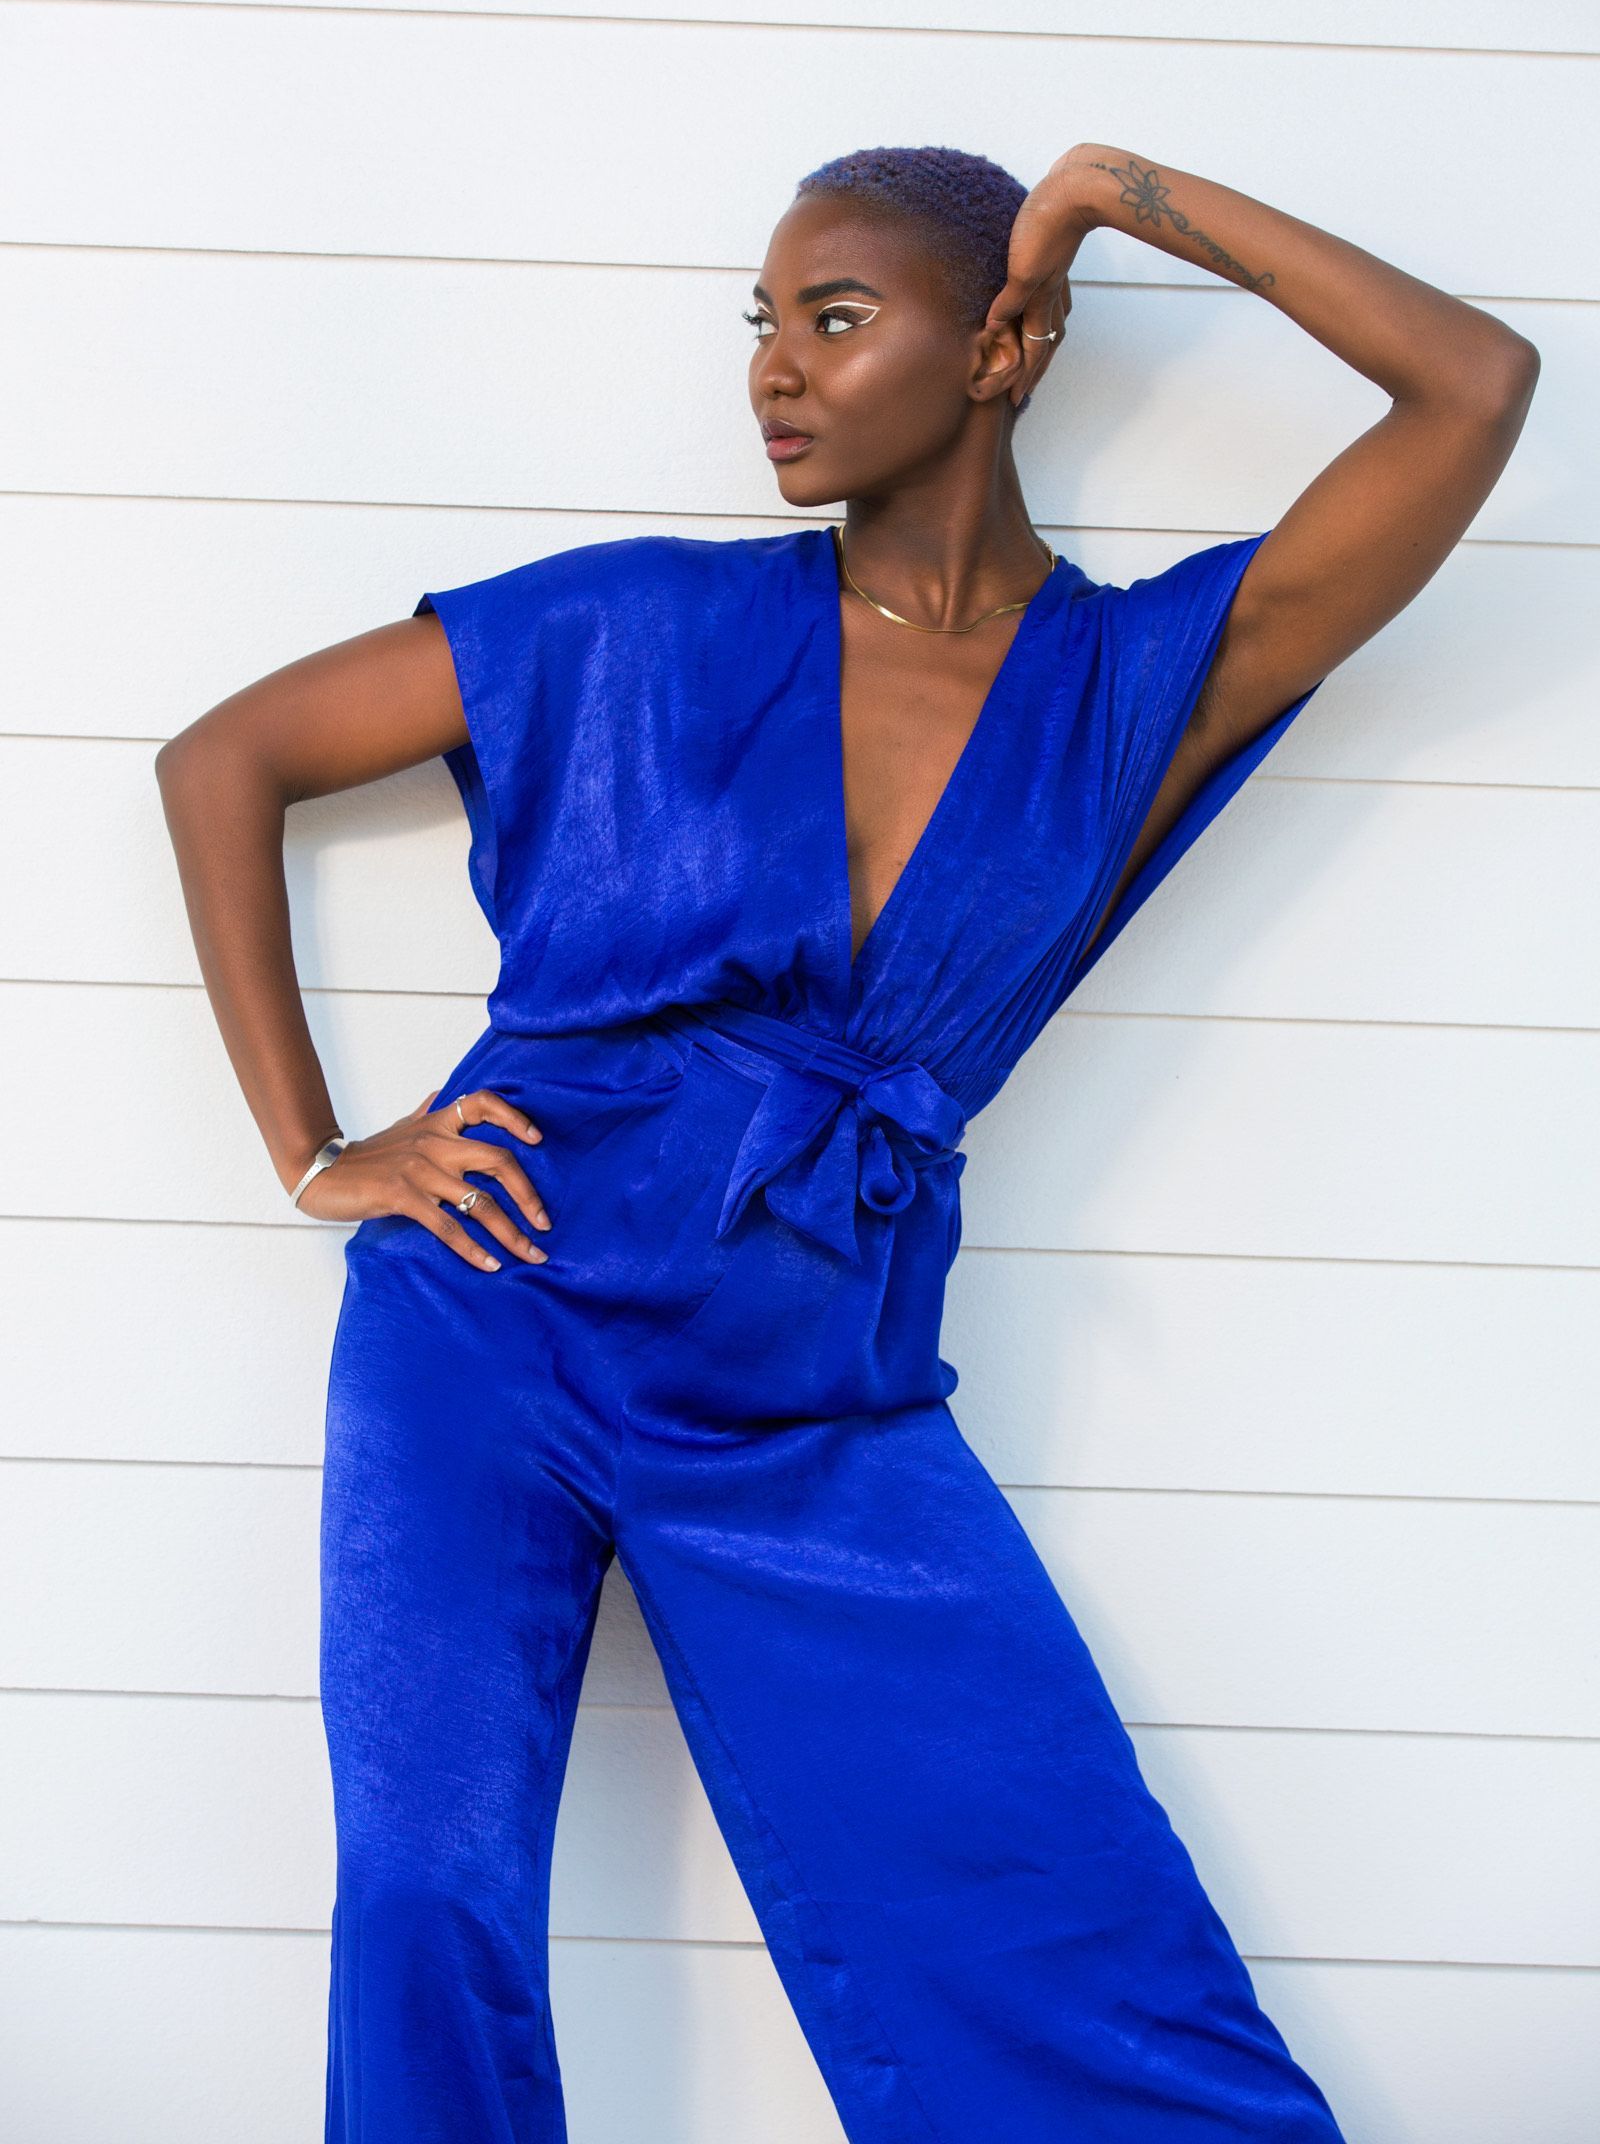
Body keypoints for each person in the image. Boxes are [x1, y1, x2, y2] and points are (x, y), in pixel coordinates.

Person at [155, 140, 1538, 2140]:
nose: (772, 372)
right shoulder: (633, 621)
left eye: (833, 316)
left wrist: (1127, 198)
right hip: (493, 1314)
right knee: (426, 1890)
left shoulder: (1130, 683)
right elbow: (226, 758)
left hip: (809, 1387)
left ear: (1004, 343)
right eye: (760, 323)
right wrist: (315, 1149)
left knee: (1036, 1906)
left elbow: (1471, 391)